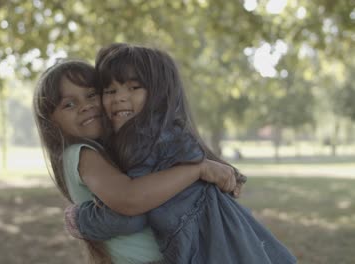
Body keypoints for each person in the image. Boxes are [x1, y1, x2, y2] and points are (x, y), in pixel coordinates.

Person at [65, 43, 297, 264]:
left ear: (159, 94)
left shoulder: (143, 141)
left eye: (134, 88)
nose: (119, 98)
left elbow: (132, 212)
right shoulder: (168, 133)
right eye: (110, 90)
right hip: (228, 237)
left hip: (208, 246)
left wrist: (82, 220)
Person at [33, 59, 241, 263]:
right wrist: (198, 169)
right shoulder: (82, 154)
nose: (85, 106)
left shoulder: (116, 151)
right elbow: (130, 199)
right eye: (69, 104)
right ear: (51, 121)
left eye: (91, 95)